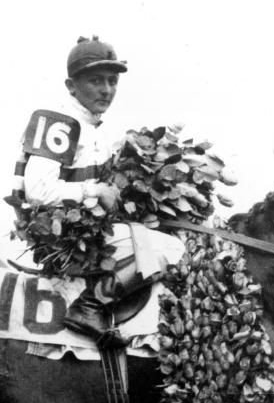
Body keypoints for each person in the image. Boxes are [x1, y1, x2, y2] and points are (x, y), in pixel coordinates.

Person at [8, 37, 160, 344]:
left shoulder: (95, 130)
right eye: (96, 80)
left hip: (83, 230)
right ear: (71, 85)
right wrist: (94, 190)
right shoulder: (59, 121)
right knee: (166, 251)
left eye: (112, 81)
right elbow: (37, 190)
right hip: (58, 236)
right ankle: (90, 306)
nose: (106, 90)